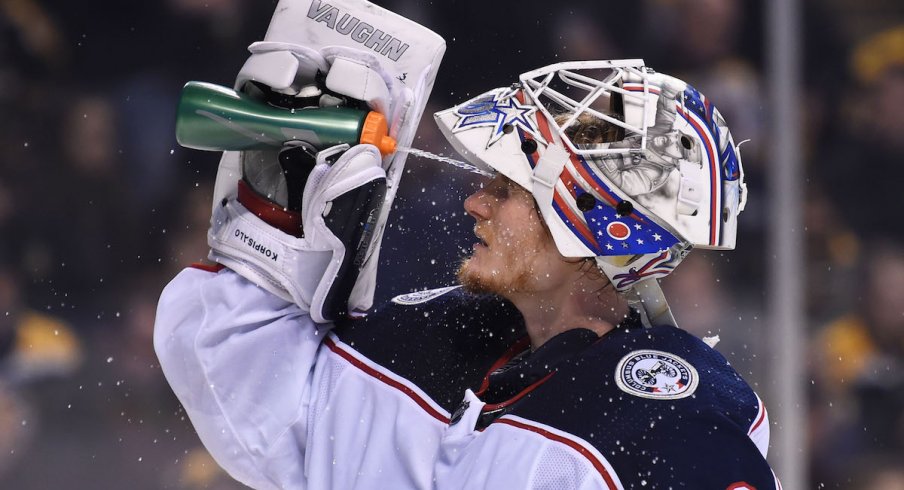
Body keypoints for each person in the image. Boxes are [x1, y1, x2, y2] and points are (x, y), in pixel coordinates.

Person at [155, 2, 779, 488]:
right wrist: (276, 224)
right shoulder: (442, 333)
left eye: (508, 189)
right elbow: (271, 427)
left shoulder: (666, 415)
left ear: (589, 224)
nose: (474, 202)